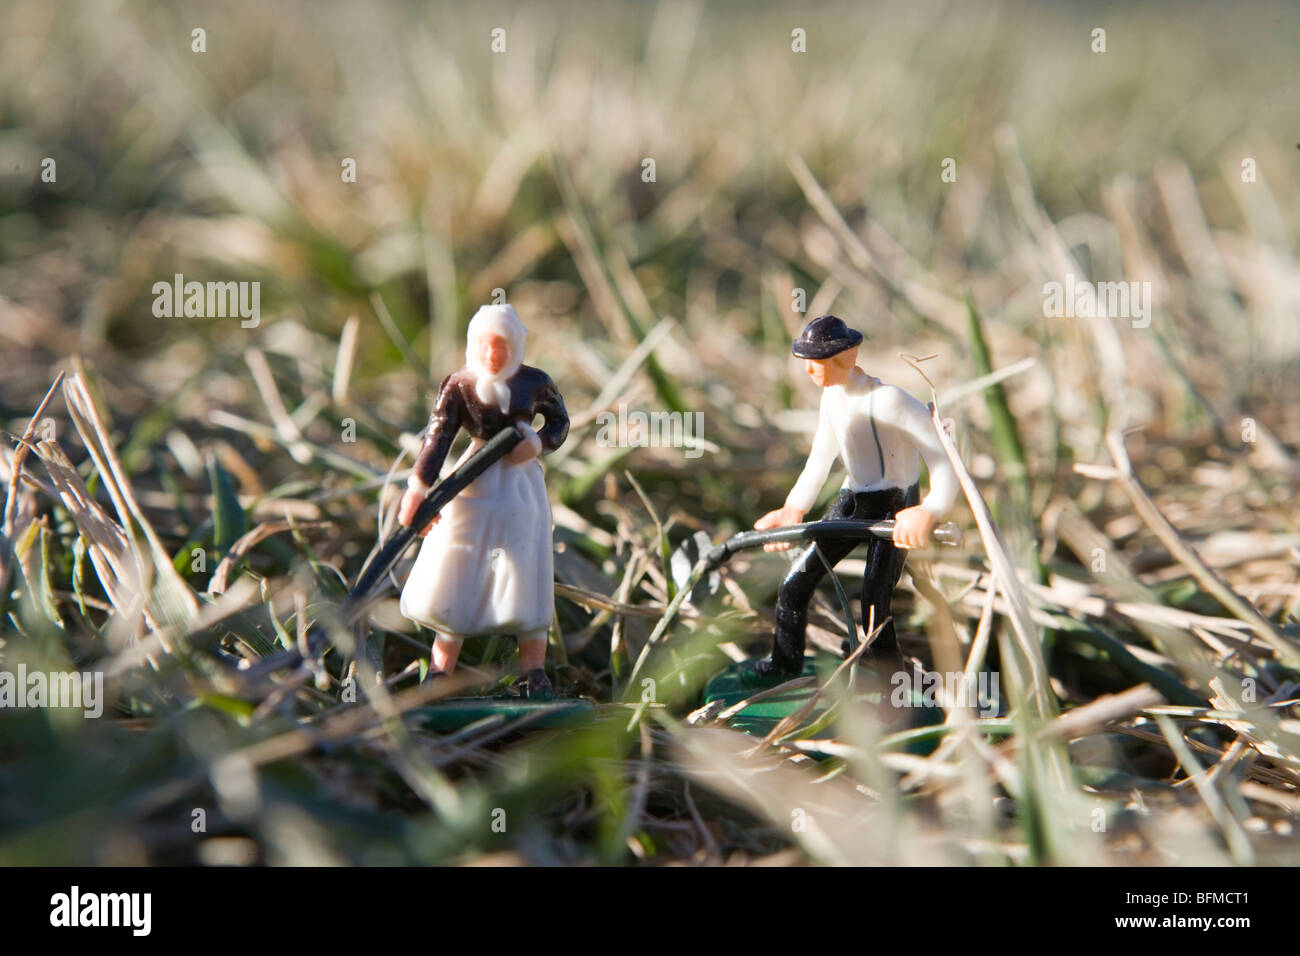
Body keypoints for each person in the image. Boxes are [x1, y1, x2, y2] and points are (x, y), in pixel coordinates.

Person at [745, 315, 959, 682]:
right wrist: (793, 508)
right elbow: (820, 458)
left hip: (896, 504)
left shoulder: (889, 401)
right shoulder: (832, 400)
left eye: (820, 361)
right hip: (854, 497)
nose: (811, 370)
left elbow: (942, 456)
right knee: (796, 581)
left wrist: (929, 509)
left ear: (847, 356)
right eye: (808, 361)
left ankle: (889, 679)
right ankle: (784, 664)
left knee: (875, 600)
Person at [397, 304, 569, 699]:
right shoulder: (458, 386)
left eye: (502, 346)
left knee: (525, 567)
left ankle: (533, 672)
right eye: (485, 345)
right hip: (471, 482)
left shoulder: (535, 382)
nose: (494, 355)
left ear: (517, 346)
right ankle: (442, 670)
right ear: (473, 346)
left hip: (520, 488)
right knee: (458, 565)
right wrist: (418, 491)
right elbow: (437, 438)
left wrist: (538, 444)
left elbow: (560, 421)